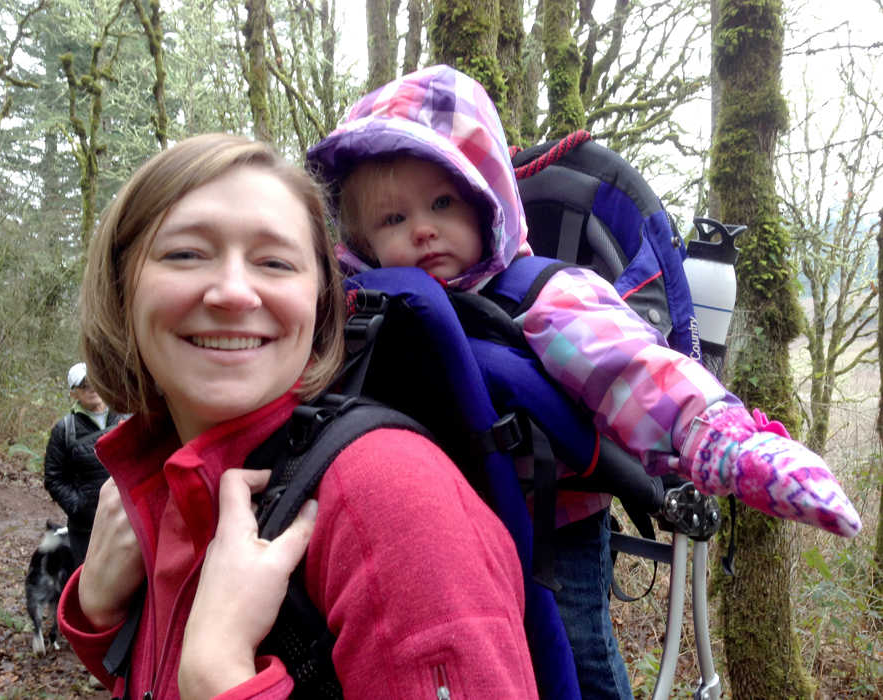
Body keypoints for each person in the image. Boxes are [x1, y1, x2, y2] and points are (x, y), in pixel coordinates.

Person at [306, 64, 862, 699]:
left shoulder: (545, 298)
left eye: (441, 203)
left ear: (486, 199)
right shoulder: (372, 315)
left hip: (557, 521)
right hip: (450, 524)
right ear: (364, 243)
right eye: (393, 219)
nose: (422, 230)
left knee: (580, 655)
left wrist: (727, 442)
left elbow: (631, 369)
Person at [56, 133, 537, 699]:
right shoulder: (157, 485)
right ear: (121, 290)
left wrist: (218, 676)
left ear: (320, 301)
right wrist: (99, 616)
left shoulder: (390, 496)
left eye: (275, 262)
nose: (234, 293)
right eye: (185, 253)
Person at [43, 361, 123, 563]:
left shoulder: (124, 418)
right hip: (86, 529)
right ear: (73, 393)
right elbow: (53, 478)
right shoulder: (65, 430)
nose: (91, 388)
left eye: (94, 381)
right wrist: (78, 507)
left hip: (126, 521)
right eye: (83, 385)